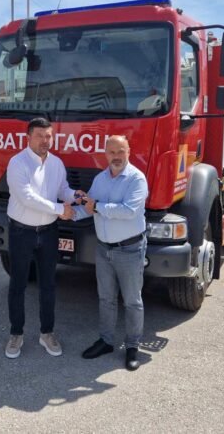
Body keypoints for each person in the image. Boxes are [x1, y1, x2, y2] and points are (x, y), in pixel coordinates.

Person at [4, 117, 84, 359]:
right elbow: (27, 197)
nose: (44, 140)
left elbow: (62, 190)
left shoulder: (56, 163)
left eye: (48, 136)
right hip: (21, 232)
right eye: (39, 135)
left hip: (49, 232)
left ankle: (47, 333)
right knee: (18, 285)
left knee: (48, 285)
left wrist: (75, 195)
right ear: (28, 137)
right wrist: (60, 210)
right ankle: (16, 333)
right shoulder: (17, 163)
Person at [75, 135, 148, 371]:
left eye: (120, 151)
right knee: (106, 298)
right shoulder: (100, 179)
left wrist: (96, 206)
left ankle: (132, 346)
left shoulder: (136, 179)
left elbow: (129, 211)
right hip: (104, 249)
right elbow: (90, 207)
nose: (116, 157)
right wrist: (68, 213)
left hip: (130, 249)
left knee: (132, 301)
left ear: (129, 151)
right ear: (105, 154)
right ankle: (106, 341)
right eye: (111, 152)